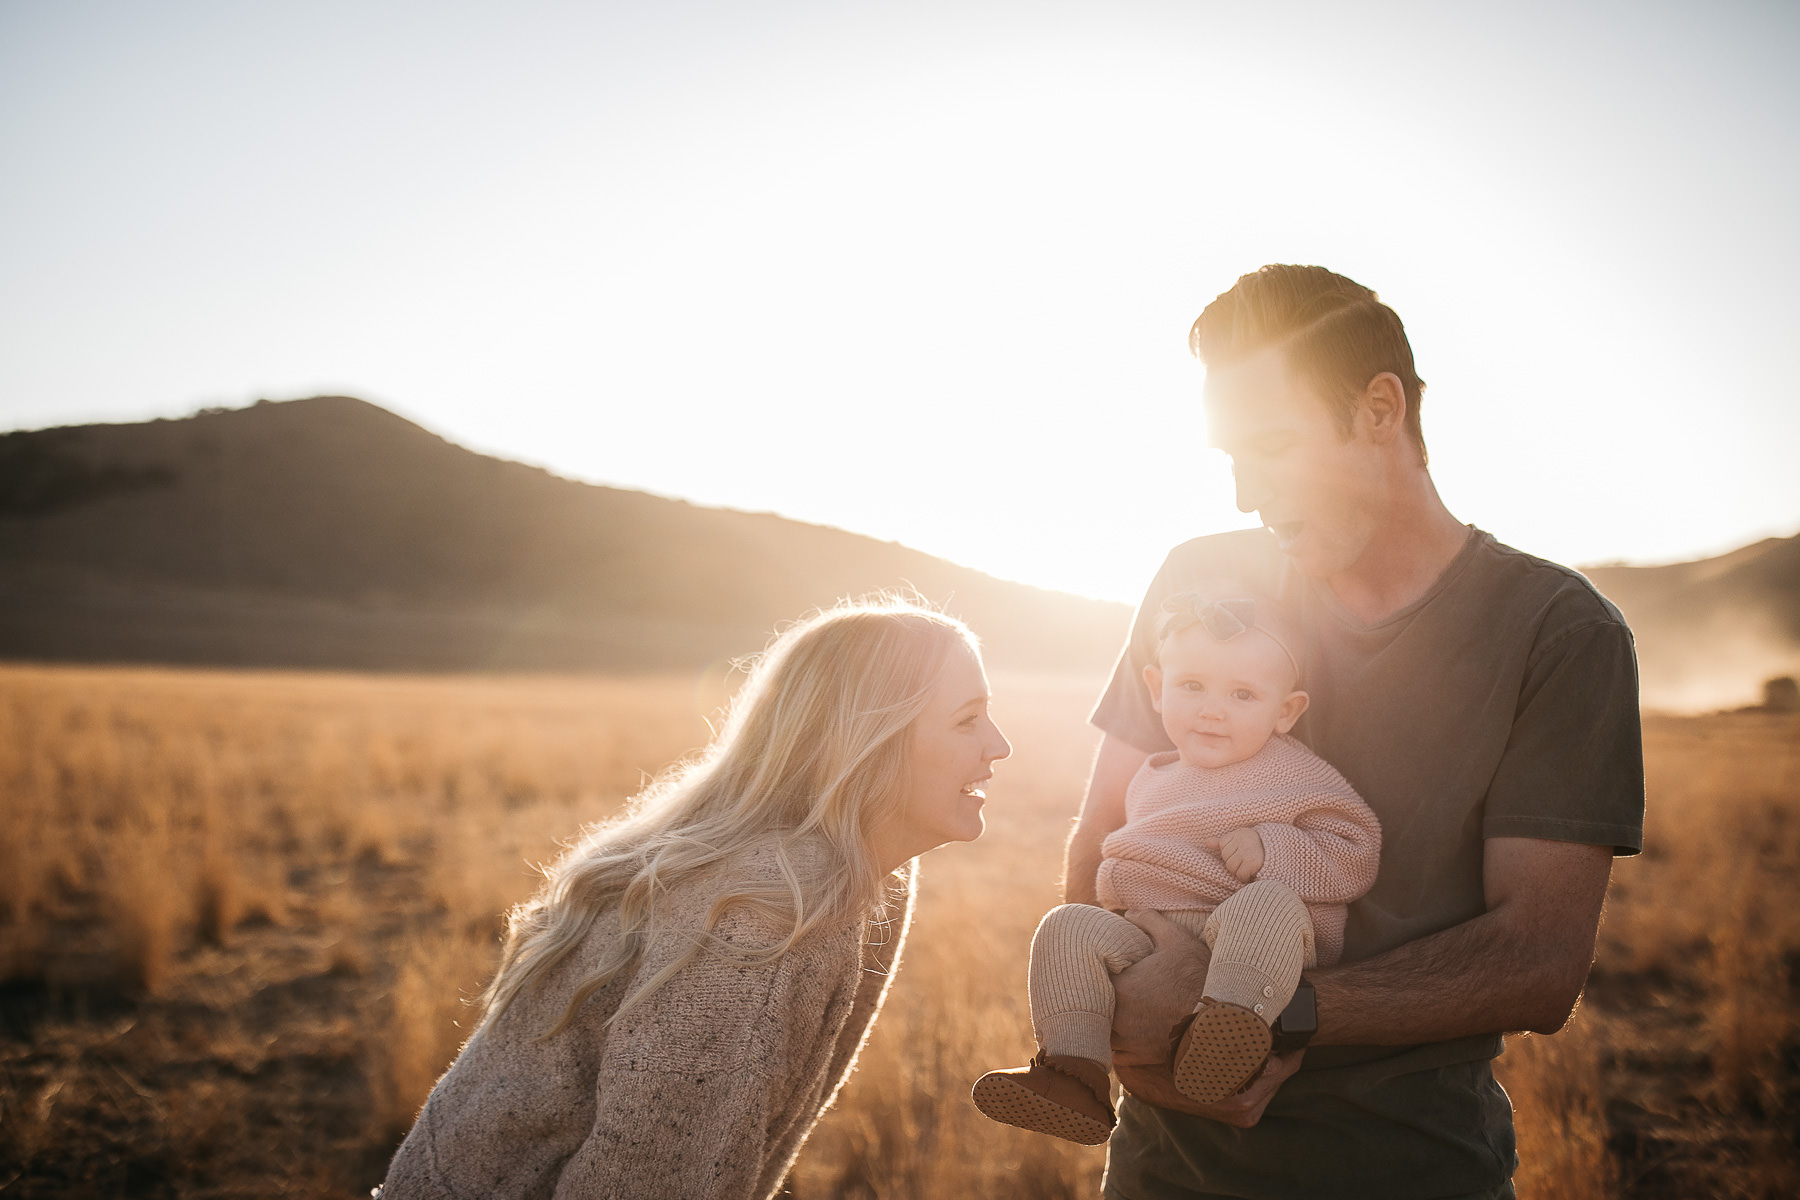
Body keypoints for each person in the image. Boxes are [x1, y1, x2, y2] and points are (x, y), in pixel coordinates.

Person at [1068, 265, 1645, 1200]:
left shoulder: (1559, 633)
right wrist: (1132, 1024)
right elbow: (1103, 829)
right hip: (1162, 1165)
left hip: (1405, 1166)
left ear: (1382, 411)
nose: (1247, 495)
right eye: (1230, 459)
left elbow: (1540, 959)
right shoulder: (1201, 578)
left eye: (1270, 447)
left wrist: (1269, 1015)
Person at [377, 597, 1012, 1200]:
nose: (999, 746)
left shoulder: (865, 874)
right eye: (967, 720)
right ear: (868, 742)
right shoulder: (766, 918)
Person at [972, 588, 1380, 1144]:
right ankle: (1075, 1073)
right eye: (1192, 686)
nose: (1213, 709)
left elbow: (1355, 848)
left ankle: (1227, 1029)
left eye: (1242, 694)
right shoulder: (1154, 775)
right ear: (1157, 690)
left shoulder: (1294, 774)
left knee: (1267, 906)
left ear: (1286, 711)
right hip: (1149, 936)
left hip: (1247, 940)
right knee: (1065, 926)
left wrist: (1274, 847)